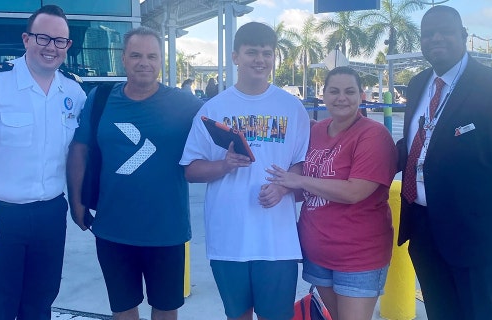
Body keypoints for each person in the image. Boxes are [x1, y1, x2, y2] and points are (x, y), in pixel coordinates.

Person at [396, 5, 492, 320]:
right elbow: (414, 146)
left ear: (463, 36)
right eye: (428, 34)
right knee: (440, 313)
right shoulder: (419, 83)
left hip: (479, 242)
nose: (435, 39)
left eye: (445, 32)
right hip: (424, 233)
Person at [0, 5, 85, 319]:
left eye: (59, 41)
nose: (51, 47)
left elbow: (80, 154)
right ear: (26, 39)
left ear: (67, 47)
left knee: (39, 306)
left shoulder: (75, 92)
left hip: (49, 215)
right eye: (43, 37)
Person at [66, 26, 202, 320]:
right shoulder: (100, 98)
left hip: (167, 231)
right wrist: (75, 202)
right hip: (113, 229)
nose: (144, 62)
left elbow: (225, 121)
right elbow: (80, 149)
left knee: (166, 309)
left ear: (161, 61)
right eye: (136, 55)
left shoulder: (184, 103)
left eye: (152, 56)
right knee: (123, 309)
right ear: (124, 59)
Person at [180, 22, 310, 320]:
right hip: (229, 238)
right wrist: (224, 165)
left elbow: (302, 163)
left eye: (267, 53)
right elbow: (191, 169)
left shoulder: (292, 108)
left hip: (277, 241)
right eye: (252, 52)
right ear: (236, 56)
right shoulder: (212, 109)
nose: (260, 59)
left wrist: (283, 187)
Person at [267, 66, 398, 320]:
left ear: (362, 95)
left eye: (350, 91)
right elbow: (300, 186)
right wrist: (280, 187)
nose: (341, 98)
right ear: (324, 94)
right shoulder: (315, 131)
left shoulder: (373, 135)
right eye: (334, 91)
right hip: (317, 251)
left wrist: (298, 180)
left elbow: (354, 191)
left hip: (359, 256)